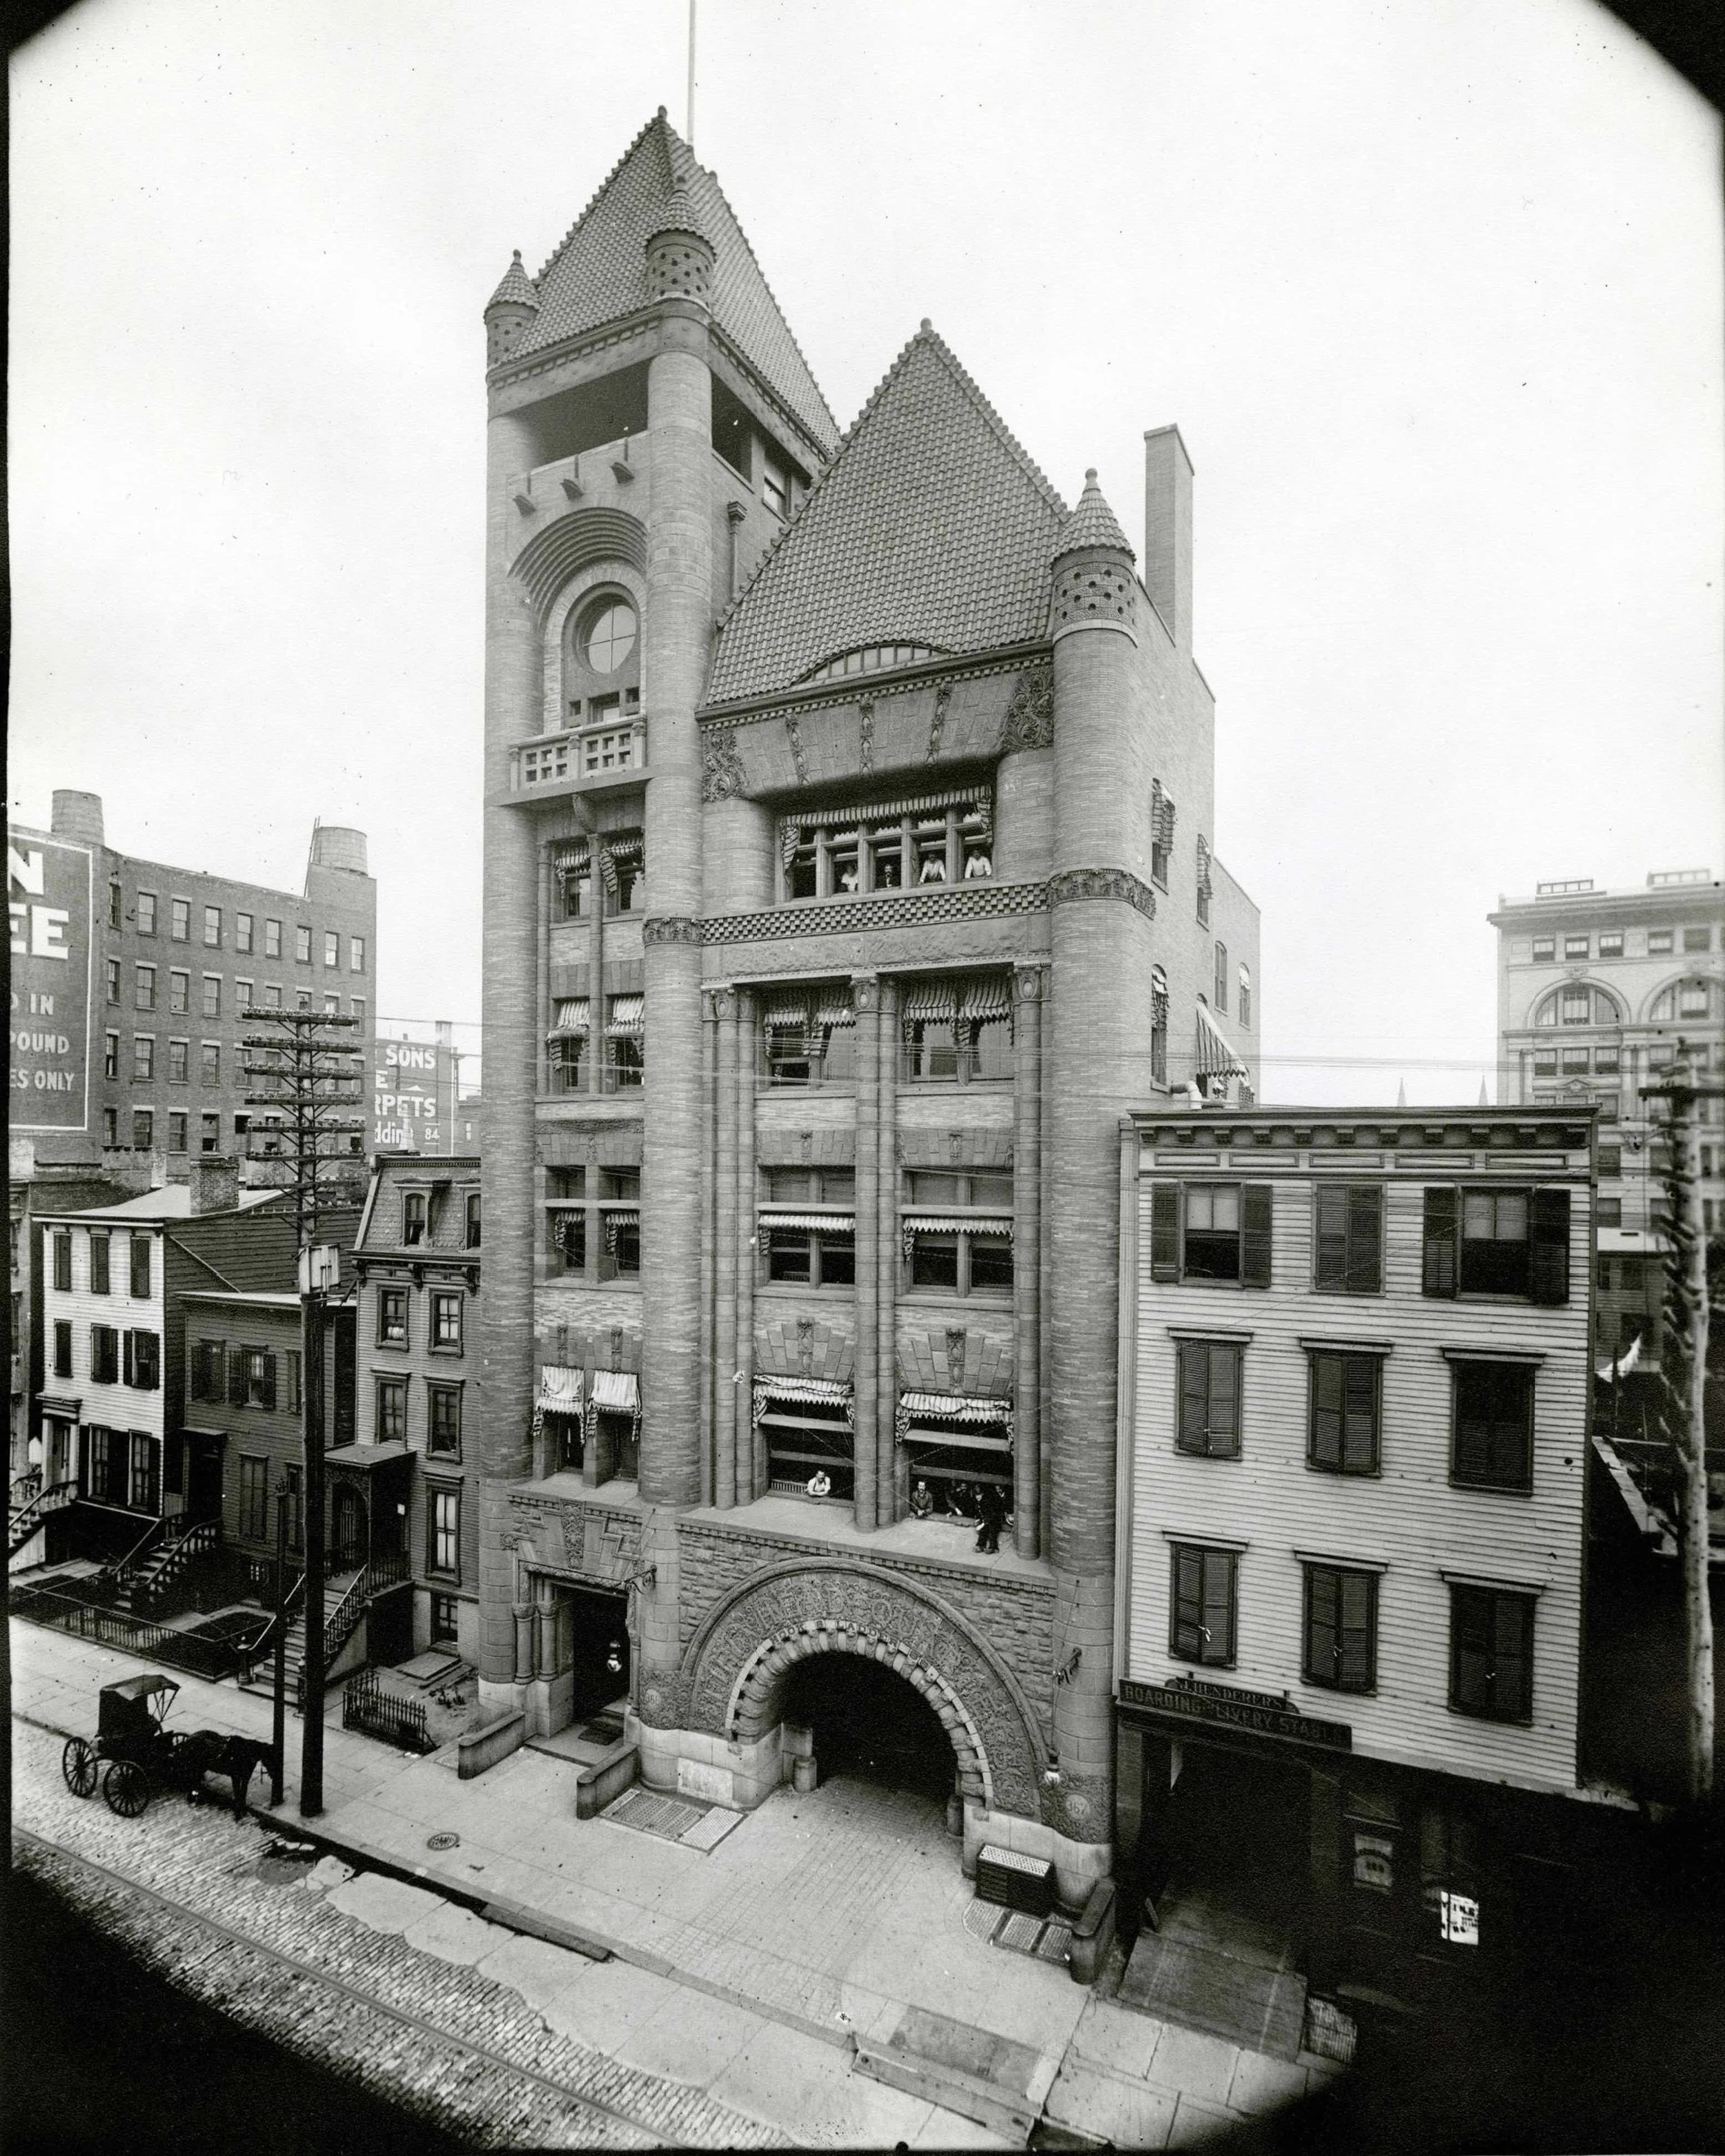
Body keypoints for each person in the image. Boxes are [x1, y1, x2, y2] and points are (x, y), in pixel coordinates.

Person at [975, 1480, 1005, 1554]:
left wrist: (983, 1524)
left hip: (994, 1521)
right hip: (987, 1520)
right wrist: (978, 1519)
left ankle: (993, 1547)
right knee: (983, 1532)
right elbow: (980, 1513)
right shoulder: (980, 1503)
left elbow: (991, 1515)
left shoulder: (987, 1503)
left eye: (979, 1497)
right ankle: (981, 1545)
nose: (978, 1498)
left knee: (992, 1531)